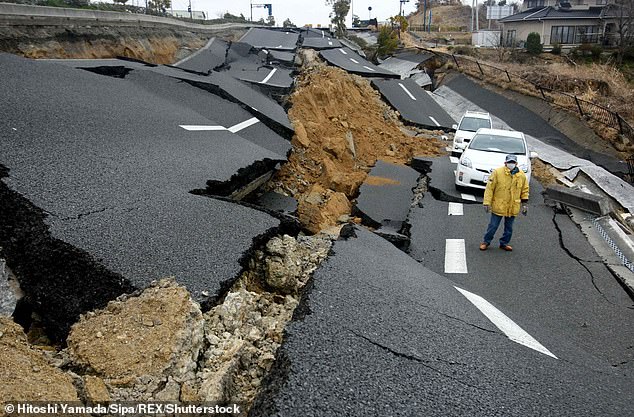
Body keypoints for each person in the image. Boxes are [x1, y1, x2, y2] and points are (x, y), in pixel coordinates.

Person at [479, 154, 529, 252]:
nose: (511, 164)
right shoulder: (497, 173)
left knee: (509, 228)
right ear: (505, 163)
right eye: (509, 162)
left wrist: (524, 203)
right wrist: (486, 202)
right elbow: (490, 188)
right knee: (493, 226)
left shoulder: (521, 175)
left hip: (512, 206)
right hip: (499, 205)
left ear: (516, 163)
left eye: (513, 162)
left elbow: (525, 190)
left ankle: (504, 243)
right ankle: (486, 242)